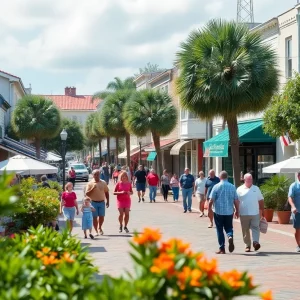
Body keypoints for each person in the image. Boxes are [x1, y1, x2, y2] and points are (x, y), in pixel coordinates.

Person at [209, 171, 239, 254]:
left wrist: (209, 209)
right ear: (227, 177)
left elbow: (211, 199)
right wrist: (237, 210)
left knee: (219, 229)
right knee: (229, 227)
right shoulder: (232, 187)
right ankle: (230, 236)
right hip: (229, 211)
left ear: (220, 177)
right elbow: (236, 200)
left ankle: (222, 248)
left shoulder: (216, 186)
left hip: (218, 211)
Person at [237, 173, 264, 252]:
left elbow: (261, 200)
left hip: (255, 213)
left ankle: (255, 242)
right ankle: (247, 245)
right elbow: (236, 201)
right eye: (248, 179)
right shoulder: (239, 189)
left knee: (256, 228)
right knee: (245, 230)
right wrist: (236, 210)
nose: (250, 181)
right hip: (244, 213)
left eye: (251, 179)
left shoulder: (256, 188)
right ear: (244, 180)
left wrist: (262, 210)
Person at [85, 169, 109, 236]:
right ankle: (96, 231)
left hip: (101, 202)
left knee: (102, 217)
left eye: (97, 174)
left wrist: (108, 201)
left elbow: (106, 192)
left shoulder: (103, 182)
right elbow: (87, 194)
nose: (96, 176)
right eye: (95, 174)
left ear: (100, 174)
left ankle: (100, 227)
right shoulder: (90, 183)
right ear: (93, 175)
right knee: (94, 217)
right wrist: (92, 188)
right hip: (93, 202)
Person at [288, 172, 300, 253]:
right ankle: (299, 245)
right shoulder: (294, 185)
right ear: (298, 176)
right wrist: (293, 206)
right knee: (298, 230)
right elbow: (290, 197)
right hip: (297, 211)